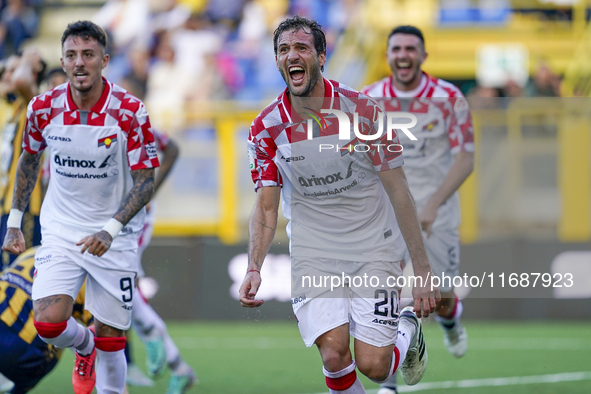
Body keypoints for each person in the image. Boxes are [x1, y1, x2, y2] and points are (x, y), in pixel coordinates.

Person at [239, 16, 440, 394]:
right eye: (283, 50)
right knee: (333, 355)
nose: (291, 56)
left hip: (373, 247)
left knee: (375, 367)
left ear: (321, 56)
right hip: (314, 253)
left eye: (301, 48)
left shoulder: (363, 112)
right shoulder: (265, 128)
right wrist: (254, 266)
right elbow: (266, 207)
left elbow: (399, 191)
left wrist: (423, 268)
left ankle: (408, 326)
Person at [1, 20, 159, 394]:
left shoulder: (130, 112)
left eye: (88, 55)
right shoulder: (43, 108)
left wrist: (111, 229)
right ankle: (82, 345)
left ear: (104, 60)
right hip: (62, 230)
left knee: (111, 337)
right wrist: (15, 221)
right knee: (49, 324)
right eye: (71, 55)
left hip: (114, 236)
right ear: (63, 60)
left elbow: (145, 181)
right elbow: (28, 159)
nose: (79, 63)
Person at [361, 25, 474, 394]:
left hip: (436, 214)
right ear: (388, 55)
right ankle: (389, 384)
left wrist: (433, 203)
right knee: (398, 297)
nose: (403, 55)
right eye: (396, 48)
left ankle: (451, 320)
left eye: (411, 48)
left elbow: (465, 159)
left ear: (424, 55)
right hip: (389, 217)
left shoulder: (449, 97)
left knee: (437, 299)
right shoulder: (369, 98)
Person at [119, 75, 197, 394]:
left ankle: (157, 345)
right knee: (123, 291)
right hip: (113, 219)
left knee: (123, 287)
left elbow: (174, 149)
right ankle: (177, 365)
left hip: (133, 219)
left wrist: (148, 192)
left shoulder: (139, 127)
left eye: (127, 94)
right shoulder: (104, 125)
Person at [0, 246, 93, 394]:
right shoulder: (88, 276)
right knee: (59, 330)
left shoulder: (37, 250)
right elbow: (101, 335)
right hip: (23, 350)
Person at [0, 49, 46, 270]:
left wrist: (29, 57)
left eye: (13, 69)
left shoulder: (34, 105)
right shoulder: (16, 109)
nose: (7, 75)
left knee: (19, 279)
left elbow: (21, 81)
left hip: (25, 208)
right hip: (7, 206)